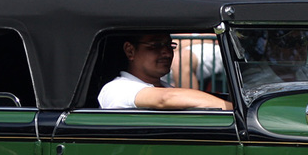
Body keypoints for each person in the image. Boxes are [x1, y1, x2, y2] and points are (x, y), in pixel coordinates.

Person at [99, 34, 231, 111]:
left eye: (170, 46)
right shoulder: (116, 88)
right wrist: (235, 109)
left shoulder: (167, 87)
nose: (167, 53)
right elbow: (165, 98)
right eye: (155, 46)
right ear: (130, 51)